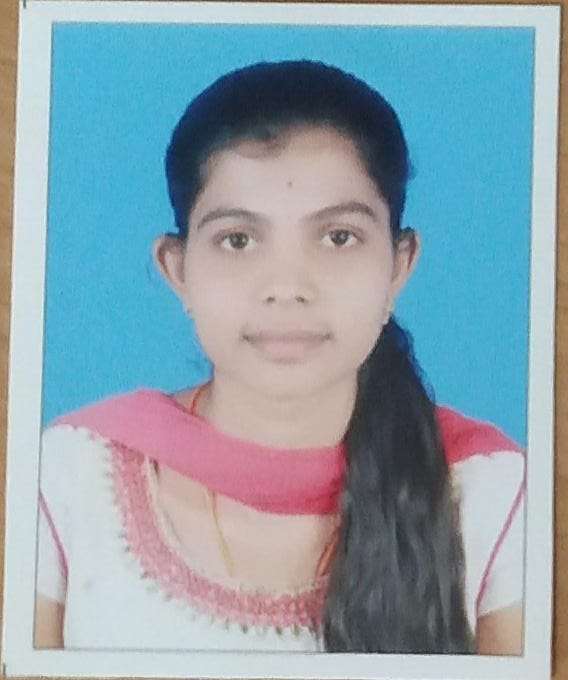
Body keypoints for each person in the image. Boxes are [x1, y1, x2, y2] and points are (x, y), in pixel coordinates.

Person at [34, 60, 525, 655]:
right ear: (177, 270)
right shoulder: (66, 479)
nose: (287, 287)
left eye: (338, 237)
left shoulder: (491, 494)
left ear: (398, 267)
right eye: (238, 240)